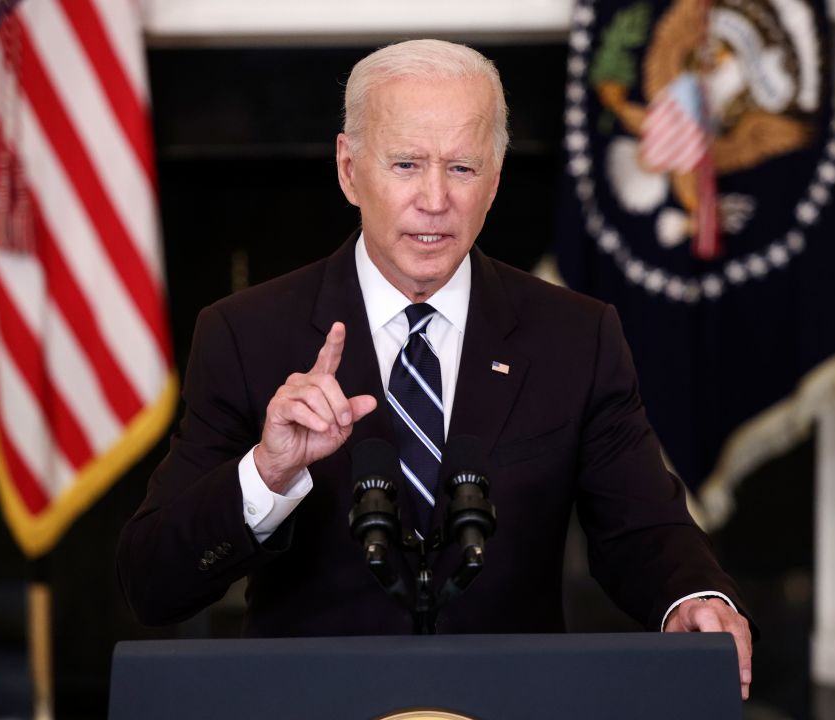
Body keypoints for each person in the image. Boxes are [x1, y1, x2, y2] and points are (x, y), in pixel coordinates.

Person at [118, 39, 753, 698]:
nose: (434, 198)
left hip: (514, 703)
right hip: (313, 705)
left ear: (497, 178)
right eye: (405, 164)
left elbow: (643, 527)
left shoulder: (575, 336)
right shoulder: (247, 335)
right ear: (348, 169)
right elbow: (153, 583)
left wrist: (692, 598)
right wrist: (268, 473)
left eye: (461, 167)